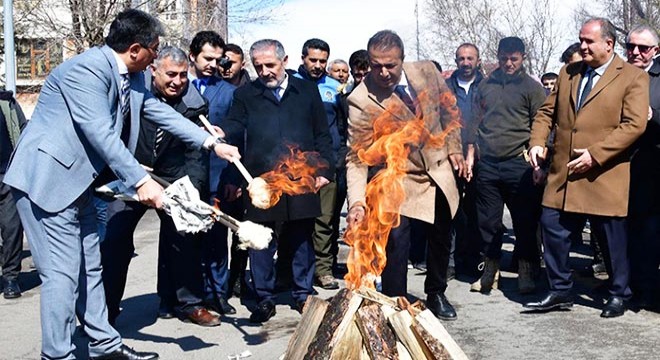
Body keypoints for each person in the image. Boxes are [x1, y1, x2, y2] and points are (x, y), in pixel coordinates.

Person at [3, 9, 239, 360]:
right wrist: (142, 181)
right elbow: (100, 132)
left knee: (91, 269)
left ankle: (104, 346)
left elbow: (159, 113)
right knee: (62, 278)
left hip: (79, 186)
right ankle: (57, 354)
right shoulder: (85, 70)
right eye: (154, 50)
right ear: (134, 48)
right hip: (47, 183)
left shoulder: (134, 75)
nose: (156, 57)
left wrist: (209, 142)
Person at [524, 18, 648, 318]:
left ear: (609, 44)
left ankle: (619, 293)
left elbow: (634, 125)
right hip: (564, 173)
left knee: (611, 239)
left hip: (604, 172)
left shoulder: (632, 77)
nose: (583, 46)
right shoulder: (569, 73)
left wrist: (595, 155)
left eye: (589, 41)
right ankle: (560, 290)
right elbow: (545, 113)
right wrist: (538, 142)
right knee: (552, 227)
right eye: (581, 40)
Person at [345, 30, 466, 320]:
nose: (384, 73)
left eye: (391, 65)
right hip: (398, 179)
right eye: (376, 66)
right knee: (397, 241)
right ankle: (395, 301)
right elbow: (356, 158)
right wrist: (357, 202)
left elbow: (450, 112)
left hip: (438, 172)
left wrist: (455, 148)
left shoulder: (426, 72)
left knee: (441, 236)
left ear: (402, 60)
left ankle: (436, 291)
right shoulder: (360, 101)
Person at [100, 46, 221, 327]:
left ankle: (186, 303)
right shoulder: (130, 91)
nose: (178, 81)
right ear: (153, 70)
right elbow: (110, 134)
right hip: (130, 175)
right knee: (114, 240)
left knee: (184, 240)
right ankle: (103, 312)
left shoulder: (195, 103)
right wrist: (127, 168)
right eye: (171, 74)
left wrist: (192, 190)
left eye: (182, 75)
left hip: (174, 177)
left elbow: (195, 151)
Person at [222, 39, 334, 323]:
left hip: (300, 175)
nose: (265, 72)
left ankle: (302, 294)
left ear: (284, 62)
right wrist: (221, 132)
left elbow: (322, 133)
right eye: (258, 66)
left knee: (301, 238)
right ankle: (264, 298)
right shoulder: (246, 95)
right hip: (261, 179)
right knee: (260, 242)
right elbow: (235, 130)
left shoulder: (306, 91)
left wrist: (324, 171)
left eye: (270, 65)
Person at [467, 37, 546, 295]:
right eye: (504, 58)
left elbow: (542, 124)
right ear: (497, 56)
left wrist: (539, 163)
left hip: (519, 164)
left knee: (524, 222)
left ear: (522, 57)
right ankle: (490, 270)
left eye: (513, 59)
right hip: (488, 165)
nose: (508, 63)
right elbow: (473, 122)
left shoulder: (532, 88)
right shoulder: (485, 85)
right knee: (487, 223)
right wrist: (471, 154)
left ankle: (526, 270)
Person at [188, 31, 238, 315]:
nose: (212, 64)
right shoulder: (178, 87)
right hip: (183, 176)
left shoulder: (229, 92)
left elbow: (237, 137)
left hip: (218, 175)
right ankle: (182, 296)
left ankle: (217, 294)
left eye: (218, 60)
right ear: (193, 55)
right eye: (207, 58)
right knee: (183, 237)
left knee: (217, 237)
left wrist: (232, 179)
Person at [294, 38, 344, 290]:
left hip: (327, 164)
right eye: (313, 60)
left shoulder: (335, 88)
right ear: (303, 58)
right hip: (298, 166)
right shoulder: (292, 84)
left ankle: (323, 269)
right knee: (296, 221)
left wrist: (339, 157)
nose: (317, 65)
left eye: (322, 61)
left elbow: (343, 125)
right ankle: (293, 271)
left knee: (325, 220)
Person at [624, 24, 660, 309]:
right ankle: (630, 285)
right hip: (622, 165)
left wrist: (653, 115)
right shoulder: (618, 75)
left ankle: (647, 289)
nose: (636, 52)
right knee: (628, 231)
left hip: (653, 165)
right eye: (631, 46)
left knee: (650, 231)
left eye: (643, 48)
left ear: (655, 51)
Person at [0, 90, 26, 299]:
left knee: (12, 227)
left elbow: (25, 131)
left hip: (8, 175)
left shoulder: (6, 102)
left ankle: (11, 277)